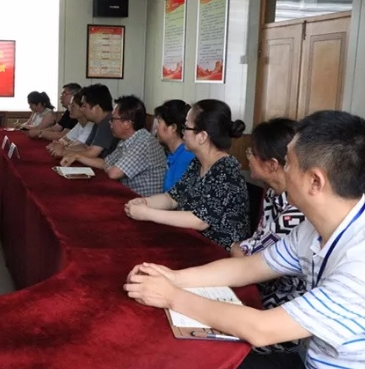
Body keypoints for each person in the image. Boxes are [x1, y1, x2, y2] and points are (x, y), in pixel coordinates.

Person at [124, 110, 365, 369]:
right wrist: (173, 278)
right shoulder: (313, 227)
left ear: (315, 181)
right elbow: (249, 267)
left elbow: (262, 329)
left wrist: (172, 296)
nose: (281, 170)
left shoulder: (358, 264)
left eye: (288, 163)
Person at [124, 99, 249, 250]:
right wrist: (144, 202)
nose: (182, 132)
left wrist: (148, 213)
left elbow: (200, 221)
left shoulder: (226, 169)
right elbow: (172, 198)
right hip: (191, 242)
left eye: (186, 127)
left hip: (217, 251)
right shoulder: (197, 163)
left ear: (202, 136)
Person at [231, 118, 307, 356]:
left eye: (251, 153)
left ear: (273, 164)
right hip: (259, 290)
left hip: (280, 318)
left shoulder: (297, 211)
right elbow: (256, 243)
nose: (248, 158)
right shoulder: (274, 194)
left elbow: (251, 256)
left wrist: (239, 249)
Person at [61, 96, 166, 196]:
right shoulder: (127, 140)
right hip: (130, 196)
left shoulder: (143, 143)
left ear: (127, 124)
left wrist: (107, 166)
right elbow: (105, 163)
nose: (110, 123)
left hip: (143, 201)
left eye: (113, 119)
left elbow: (113, 173)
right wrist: (77, 156)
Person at [62, 83, 119, 159]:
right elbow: (85, 147)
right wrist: (64, 148)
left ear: (96, 108)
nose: (81, 109)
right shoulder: (97, 122)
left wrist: (63, 152)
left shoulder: (107, 122)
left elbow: (92, 153)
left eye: (84, 106)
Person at [154, 100, 195, 191]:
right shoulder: (173, 154)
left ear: (173, 128)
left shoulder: (186, 158)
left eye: (159, 122)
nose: (156, 127)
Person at [47, 91, 94, 157]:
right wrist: (58, 144)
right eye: (70, 105)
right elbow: (64, 139)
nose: (70, 109)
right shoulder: (79, 124)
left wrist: (61, 147)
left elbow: (80, 146)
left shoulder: (91, 125)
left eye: (73, 106)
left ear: (83, 108)